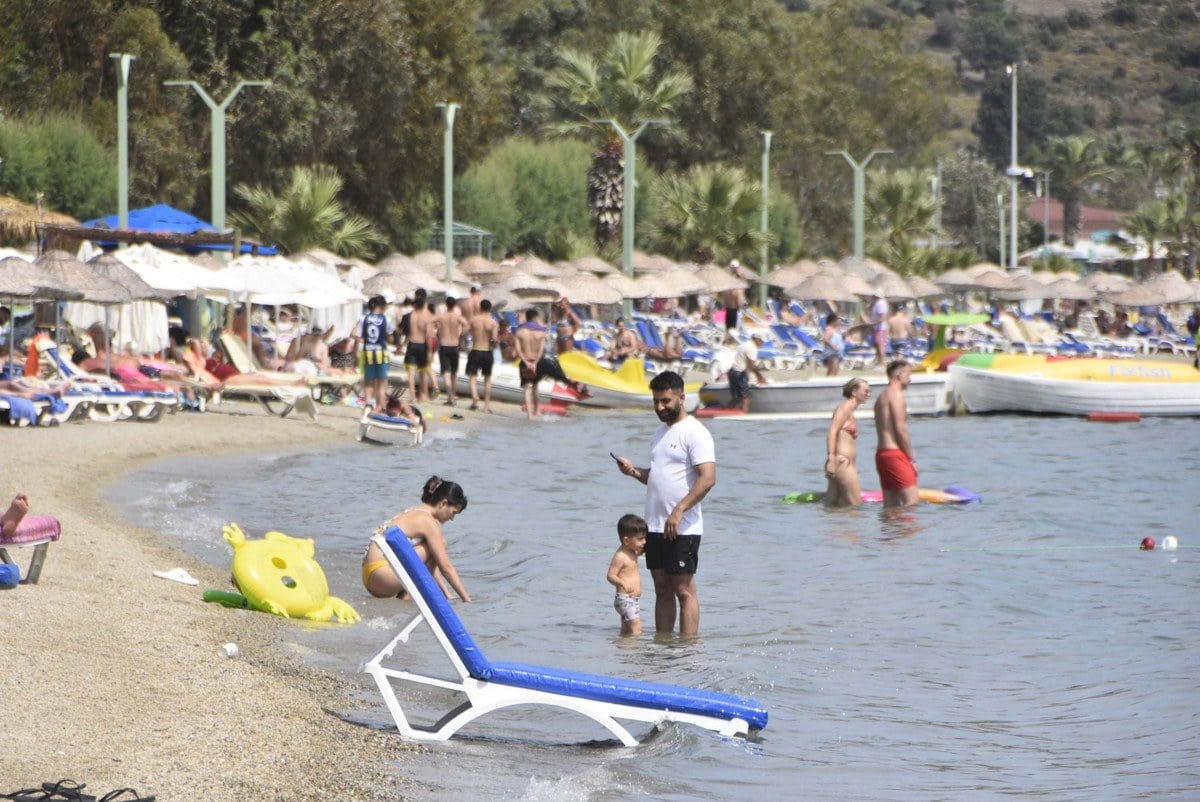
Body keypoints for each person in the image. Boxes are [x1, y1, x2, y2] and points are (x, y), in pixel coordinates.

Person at [614, 370, 716, 635]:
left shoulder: (696, 432)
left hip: (682, 526)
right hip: (655, 525)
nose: (660, 407)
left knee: (683, 590)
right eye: (656, 401)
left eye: (666, 401)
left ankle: (687, 651)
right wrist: (634, 472)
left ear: (681, 398)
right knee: (661, 589)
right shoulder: (659, 434)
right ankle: (663, 649)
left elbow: (707, 479)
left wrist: (679, 510)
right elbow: (658, 477)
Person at [362, 476, 471, 602]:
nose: (452, 518)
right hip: (382, 576)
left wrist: (446, 593)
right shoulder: (428, 522)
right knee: (440, 543)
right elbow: (445, 568)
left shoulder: (412, 511)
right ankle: (407, 597)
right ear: (443, 503)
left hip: (370, 574)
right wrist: (466, 599)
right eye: (453, 512)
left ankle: (407, 596)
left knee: (433, 547)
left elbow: (429, 563)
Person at [874, 360, 918, 508]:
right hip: (894, 453)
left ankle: (889, 532)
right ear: (900, 375)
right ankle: (905, 532)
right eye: (908, 374)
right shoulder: (897, 395)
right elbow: (900, 428)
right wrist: (911, 458)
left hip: (882, 455)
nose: (910, 379)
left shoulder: (881, 397)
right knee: (911, 504)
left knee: (890, 508)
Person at [824, 378, 870, 508]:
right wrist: (831, 458)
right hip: (842, 464)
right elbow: (832, 431)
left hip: (841, 463)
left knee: (834, 508)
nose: (868, 394)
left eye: (869, 391)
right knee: (855, 507)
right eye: (865, 391)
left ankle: (832, 529)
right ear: (854, 392)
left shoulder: (850, 410)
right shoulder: (845, 407)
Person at [606, 513, 648, 637]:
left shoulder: (632, 551)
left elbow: (640, 551)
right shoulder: (620, 556)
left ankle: (624, 649)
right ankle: (635, 653)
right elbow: (610, 575)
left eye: (644, 538)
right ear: (626, 540)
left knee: (626, 630)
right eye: (640, 539)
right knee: (637, 629)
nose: (644, 542)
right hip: (625, 599)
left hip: (632, 600)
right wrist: (622, 583)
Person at [357, 295, 395, 413]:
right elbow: (390, 338)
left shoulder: (364, 318)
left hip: (368, 351)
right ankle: (380, 405)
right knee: (382, 381)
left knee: (369, 380)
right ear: (383, 306)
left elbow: (356, 334)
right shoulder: (386, 319)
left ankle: (368, 404)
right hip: (381, 352)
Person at [465, 299, 499, 412]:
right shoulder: (493, 322)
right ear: (490, 309)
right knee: (487, 379)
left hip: (475, 350)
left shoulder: (474, 319)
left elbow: (464, 332)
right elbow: (494, 340)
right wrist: (494, 343)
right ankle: (485, 406)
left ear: (480, 308)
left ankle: (475, 396)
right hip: (487, 351)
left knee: (472, 377)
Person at [403, 288, 437, 403]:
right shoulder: (426, 316)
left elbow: (407, 333)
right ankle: (424, 395)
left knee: (411, 374)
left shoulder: (410, 316)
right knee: (423, 372)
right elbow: (428, 336)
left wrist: (402, 345)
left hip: (412, 344)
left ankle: (413, 397)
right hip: (422, 345)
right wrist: (430, 352)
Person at [435, 293, 468, 406]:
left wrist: (439, 331)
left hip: (444, 345)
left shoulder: (441, 316)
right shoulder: (458, 317)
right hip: (454, 346)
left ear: (446, 304)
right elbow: (466, 325)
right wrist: (461, 336)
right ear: (454, 305)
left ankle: (450, 396)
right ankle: (452, 397)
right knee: (453, 373)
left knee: (446, 373)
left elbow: (431, 322)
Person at [728, 333, 767, 413]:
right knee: (745, 399)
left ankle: (725, 413)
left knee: (736, 398)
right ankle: (744, 418)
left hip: (732, 372)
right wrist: (760, 377)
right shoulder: (752, 348)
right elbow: (751, 366)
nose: (762, 343)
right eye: (762, 341)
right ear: (757, 340)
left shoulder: (744, 344)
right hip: (740, 373)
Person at [720, 259, 746, 332]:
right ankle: (730, 340)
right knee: (731, 328)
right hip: (732, 307)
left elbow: (742, 290)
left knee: (732, 328)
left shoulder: (737, 279)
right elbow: (727, 294)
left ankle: (731, 340)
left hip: (733, 307)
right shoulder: (730, 280)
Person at [869, 291, 889, 367]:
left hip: (879, 328)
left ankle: (882, 363)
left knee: (880, 345)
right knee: (877, 345)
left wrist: (874, 323)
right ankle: (879, 362)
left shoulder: (881, 303)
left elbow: (882, 316)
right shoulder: (877, 303)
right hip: (877, 327)